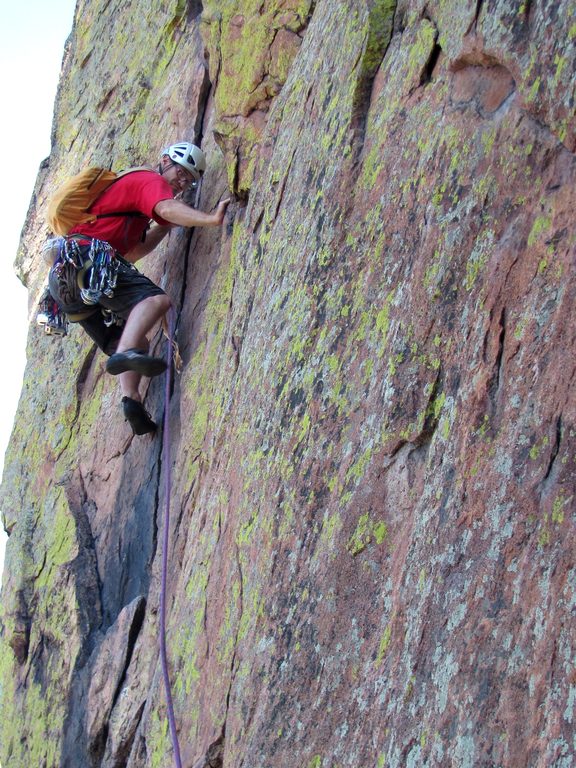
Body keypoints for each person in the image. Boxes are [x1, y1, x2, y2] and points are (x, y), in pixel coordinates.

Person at [47, 141, 230, 435]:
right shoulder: (147, 179)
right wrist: (210, 219)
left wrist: (164, 226)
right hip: (87, 259)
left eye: (188, 180)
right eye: (181, 172)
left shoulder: (130, 210)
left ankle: (130, 400)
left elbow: (134, 251)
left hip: (65, 284)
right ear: (165, 161)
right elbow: (166, 207)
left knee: (135, 341)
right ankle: (125, 356)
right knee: (155, 301)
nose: (181, 182)